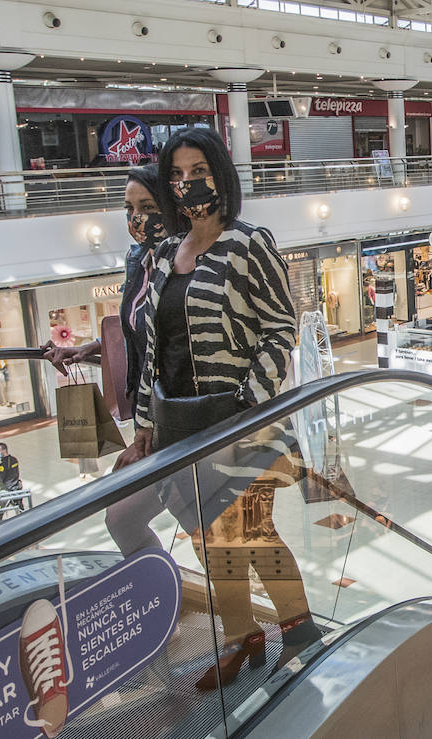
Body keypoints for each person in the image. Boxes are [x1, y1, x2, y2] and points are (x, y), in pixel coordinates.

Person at [125, 128, 317, 690]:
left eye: (198, 173)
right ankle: (243, 637)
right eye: (178, 176)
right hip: (179, 423)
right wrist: (143, 424)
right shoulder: (163, 254)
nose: (188, 185)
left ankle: (299, 628)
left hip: (237, 421)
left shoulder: (248, 242)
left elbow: (282, 328)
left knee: (250, 531)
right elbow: (154, 351)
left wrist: (248, 402)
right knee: (211, 540)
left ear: (221, 177)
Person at [43, 164, 167, 434]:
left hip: (176, 409)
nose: (136, 218)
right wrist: (91, 347)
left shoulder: (188, 264)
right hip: (144, 407)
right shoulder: (138, 260)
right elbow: (138, 325)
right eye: (129, 209)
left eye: (147, 207)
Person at [0, 443, 25, 521]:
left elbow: (0, 479)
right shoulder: (14, 459)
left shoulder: (3, 465)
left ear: (4, 450)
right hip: (16, 488)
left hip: (6, 490)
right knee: (20, 510)